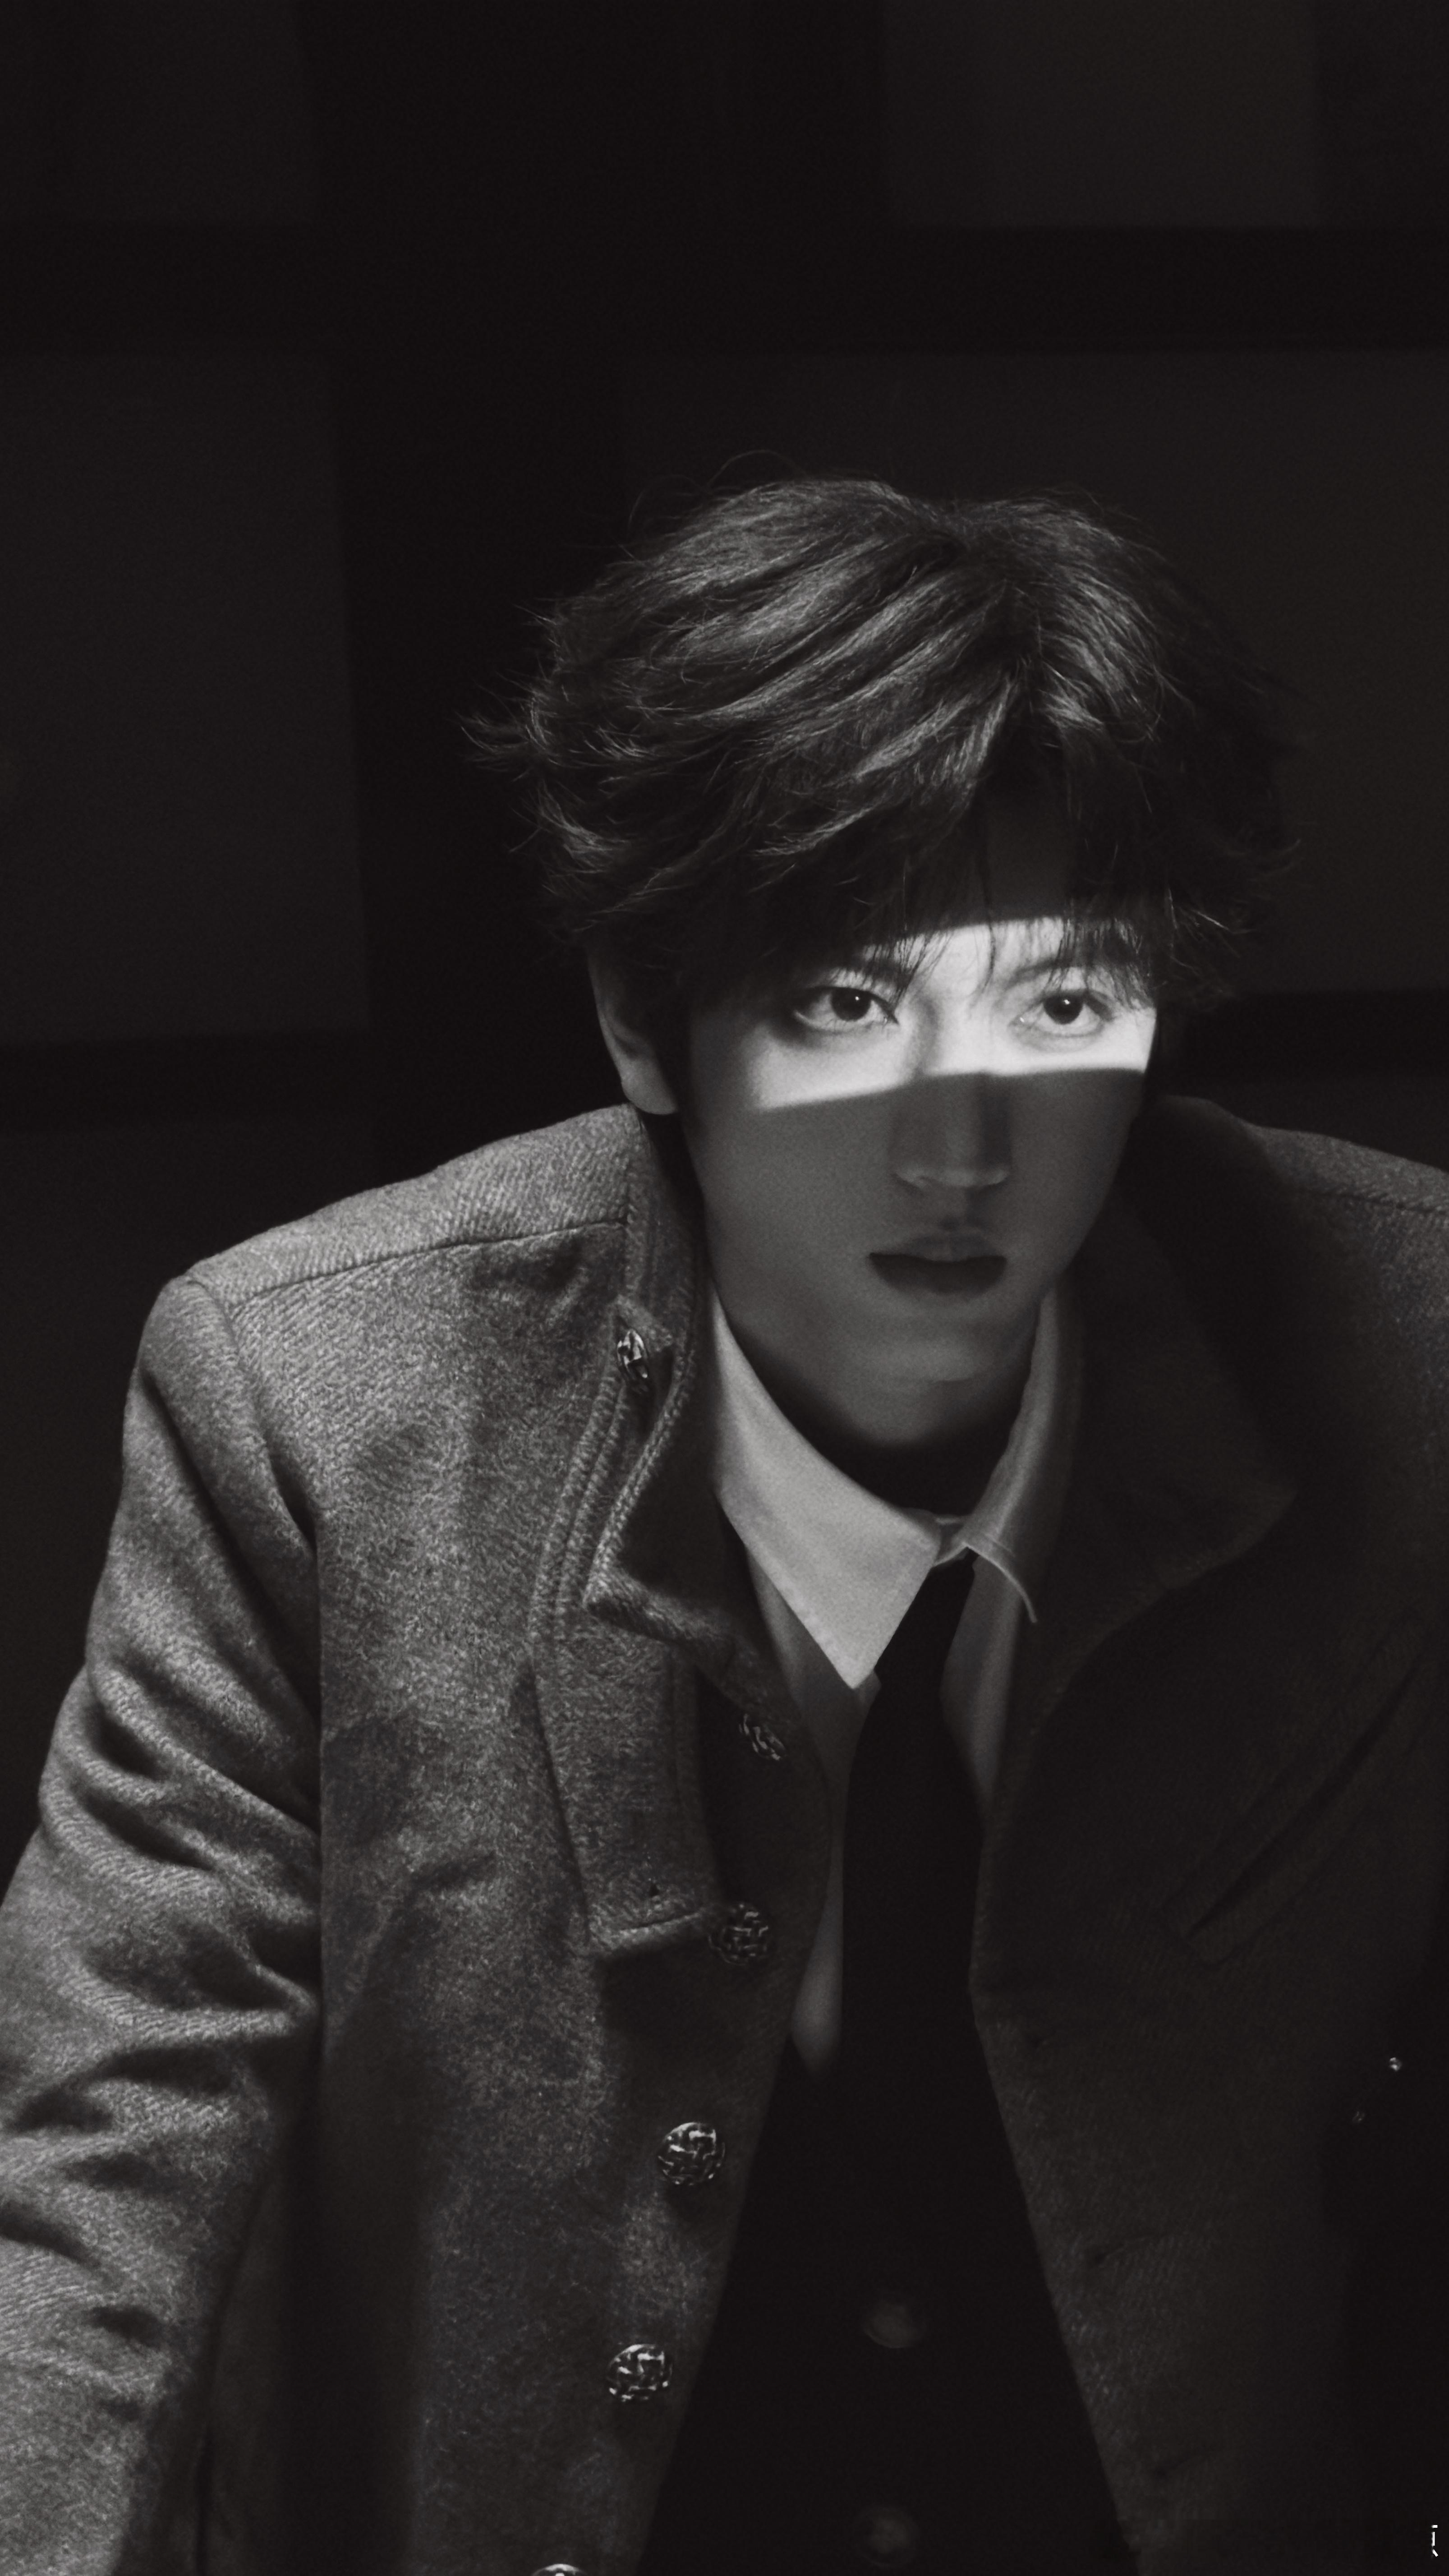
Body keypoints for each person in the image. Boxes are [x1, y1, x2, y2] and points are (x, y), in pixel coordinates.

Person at [1, 475, 1446, 2576]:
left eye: (1063, 1004)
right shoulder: (319, 1396)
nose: (961, 1148)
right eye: (845, 1003)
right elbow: (114, 2133)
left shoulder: (1403, 1352)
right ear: (637, 1020)